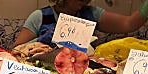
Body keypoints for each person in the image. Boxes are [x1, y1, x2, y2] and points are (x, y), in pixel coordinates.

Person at [13, 0, 148, 47]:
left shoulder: (92, 14)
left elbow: (128, 24)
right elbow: (16, 50)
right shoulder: (40, 17)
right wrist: (39, 41)